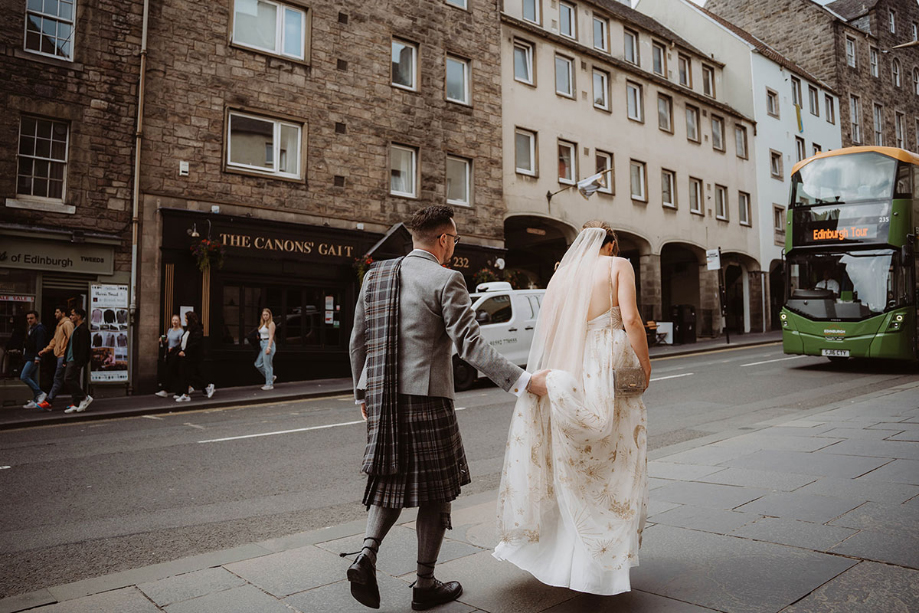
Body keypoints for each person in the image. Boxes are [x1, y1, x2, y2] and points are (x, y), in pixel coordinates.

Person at [346, 205, 549, 611]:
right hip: (427, 398)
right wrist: (525, 381)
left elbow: (358, 340)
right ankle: (424, 585)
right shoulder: (446, 279)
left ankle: (366, 554)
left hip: (383, 396)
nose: (454, 247)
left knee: (390, 478)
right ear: (442, 239)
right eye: (454, 239)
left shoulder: (376, 276)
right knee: (437, 492)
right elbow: (472, 346)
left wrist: (362, 394)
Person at [493, 221, 652, 596]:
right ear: (610, 244)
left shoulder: (562, 276)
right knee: (616, 461)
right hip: (609, 363)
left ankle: (564, 556)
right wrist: (645, 366)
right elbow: (631, 319)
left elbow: (547, 329)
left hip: (571, 366)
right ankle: (602, 566)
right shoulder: (618, 266)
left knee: (571, 462)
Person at [37, 306, 74, 411]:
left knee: (59, 379)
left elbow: (72, 340)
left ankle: (49, 402)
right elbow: (54, 340)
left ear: (63, 313)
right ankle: (80, 399)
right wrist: (45, 350)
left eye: (57, 312)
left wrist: (67, 356)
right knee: (66, 379)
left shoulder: (67, 324)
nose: (55, 314)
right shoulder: (59, 325)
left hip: (63, 356)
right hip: (60, 356)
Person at [174, 311, 215, 402]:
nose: (185, 320)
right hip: (185, 355)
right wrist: (179, 349)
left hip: (192, 356)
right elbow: (184, 341)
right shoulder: (188, 329)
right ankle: (187, 393)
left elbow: (195, 344)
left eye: (186, 318)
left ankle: (206, 386)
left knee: (189, 374)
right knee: (185, 374)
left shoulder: (197, 329)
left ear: (190, 319)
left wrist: (185, 352)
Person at [63, 308, 93, 414]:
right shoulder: (76, 329)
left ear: (79, 316)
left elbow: (84, 348)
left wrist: (80, 362)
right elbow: (70, 346)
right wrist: (65, 359)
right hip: (70, 359)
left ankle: (84, 397)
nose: (70, 317)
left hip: (75, 360)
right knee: (74, 381)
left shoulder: (83, 330)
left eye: (72, 315)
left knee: (68, 379)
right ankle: (76, 403)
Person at [20, 311, 48, 409]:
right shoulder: (32, 328)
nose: (29, 320)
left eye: (31, 318)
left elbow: (40, 344)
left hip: (33, 357)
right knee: (34, 378)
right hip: (30, 356)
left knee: (24, 376)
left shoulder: (39, 329)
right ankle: (35, 400)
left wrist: (37, 357)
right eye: (28, 319)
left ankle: (40, 393)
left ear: (36, 318)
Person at [155, 314, 184, 398]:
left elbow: (181, 343)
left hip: (175, 353)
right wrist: (162, 340)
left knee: (172, 372)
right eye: (173, 320)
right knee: (171, 372)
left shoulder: (181, 331)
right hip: (169, 353)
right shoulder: (170, 330)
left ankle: (169, 390)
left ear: (179, 321)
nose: (174, 322)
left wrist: (174, 348)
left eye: (176, 320)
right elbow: (167, 341)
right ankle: (168, 390)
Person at [254, 308, 277, 390]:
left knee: (268, 365)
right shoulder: (263, 324)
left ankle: (269, 384)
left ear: (270, 315)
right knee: (258, 364)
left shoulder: (271, 324)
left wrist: (269, 347)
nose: (265, 316)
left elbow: (271, 336)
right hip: (262, 344)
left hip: (268, 343)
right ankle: (271, 377)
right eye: (264, 315)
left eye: (267, 315)